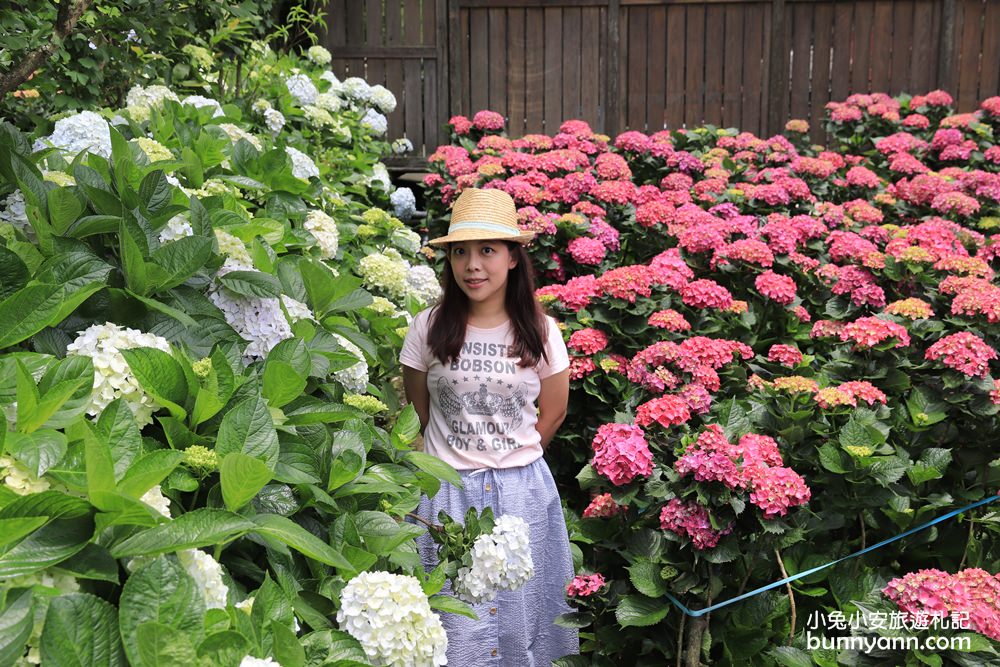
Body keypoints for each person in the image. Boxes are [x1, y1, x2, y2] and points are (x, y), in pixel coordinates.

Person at [400, 187, 579, 665]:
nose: (472, 265)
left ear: (513, 258)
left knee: (521, 620)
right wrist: (460, 455)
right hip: (446, 493)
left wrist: (510, 456)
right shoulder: (428, 326)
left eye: (486, 251)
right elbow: (420, 408)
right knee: (451, 624)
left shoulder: (540, 332)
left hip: (521, 494)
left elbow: (555, 411)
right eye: (460, 252)